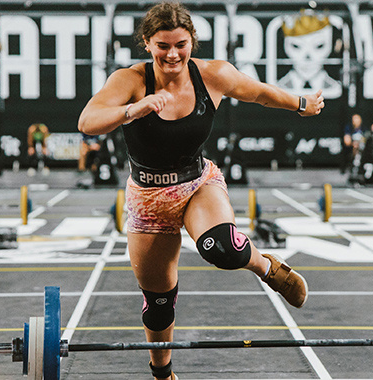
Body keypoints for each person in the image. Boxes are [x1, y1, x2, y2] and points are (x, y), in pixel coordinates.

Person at [77, 3, 323, 379]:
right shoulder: (129, 80)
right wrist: (133, 109)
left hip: (196, 184)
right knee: (159, 303)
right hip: (147, 198)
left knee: (222, 248)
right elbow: (88, 121)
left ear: (192, 41)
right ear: (147, 43)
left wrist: (302, 104)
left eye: (181, 44)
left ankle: (267, 267)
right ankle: (162, 373)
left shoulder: (212, 74)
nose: (172, 54)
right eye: (163, 45)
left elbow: (257, 92)